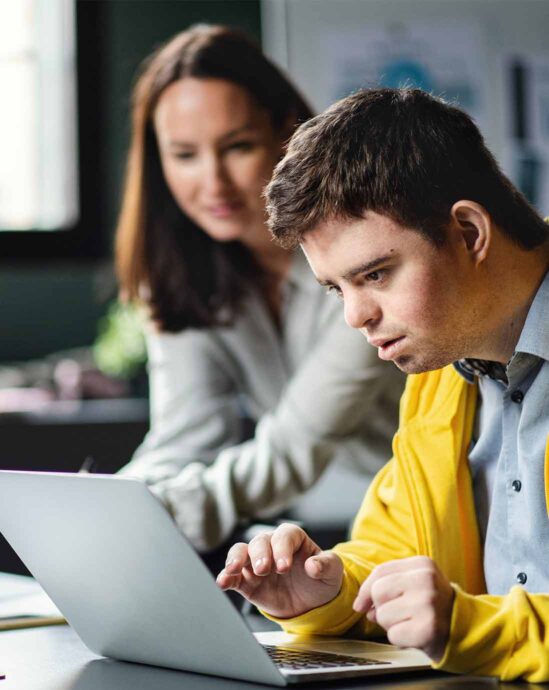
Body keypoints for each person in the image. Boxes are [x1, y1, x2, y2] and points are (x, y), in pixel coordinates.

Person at [217, 87, 549, 682]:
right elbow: (395, 547)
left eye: (375, 274)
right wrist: (326, 591)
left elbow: (467, 623)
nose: (355, 316)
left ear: (470, 233)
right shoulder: (444, 370)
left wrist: (471, 628)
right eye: (337, 288)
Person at [115, 26, 404, 553]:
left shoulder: (362, 256)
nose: (213, 183)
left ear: (289, 133)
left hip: (439, 515)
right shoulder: (180, 275)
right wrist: (115, 506)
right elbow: (183, 439)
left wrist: (149, 517)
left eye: (238, 147)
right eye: (184, 155)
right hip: (347, 534)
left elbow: (295, 446)